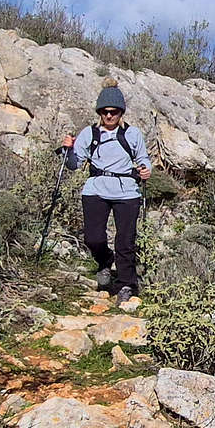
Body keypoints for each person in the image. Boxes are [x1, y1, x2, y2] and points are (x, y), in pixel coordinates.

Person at [60, 79, 152, 303]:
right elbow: (73, 164)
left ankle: (126, 285)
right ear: (99, 112)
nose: (109, 116)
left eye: (114, 112)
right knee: (93, 238)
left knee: (125, 241)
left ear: (121, 113)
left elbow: (143, 160)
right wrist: (66, 149)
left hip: (127, 192)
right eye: (105, 112)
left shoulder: (133, 135)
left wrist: (146, 170)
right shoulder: (89, 134)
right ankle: (104, 260)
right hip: (96, 189)